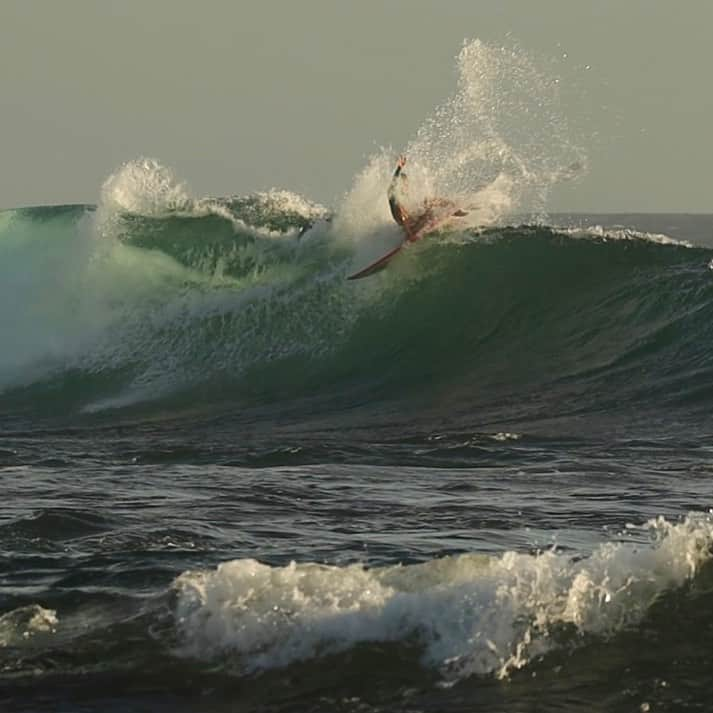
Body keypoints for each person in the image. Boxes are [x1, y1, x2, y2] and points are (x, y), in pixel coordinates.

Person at [387, 156, 467, 242]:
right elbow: (403, 218)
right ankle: (449, 212)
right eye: (404, 184)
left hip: (412, 221)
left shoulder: (403, 196)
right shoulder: (394, 199)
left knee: (428, 201)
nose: (406, 187)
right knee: (429, 213)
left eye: (407, 184)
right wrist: (410, 235)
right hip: (409, 229)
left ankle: (454, 208)